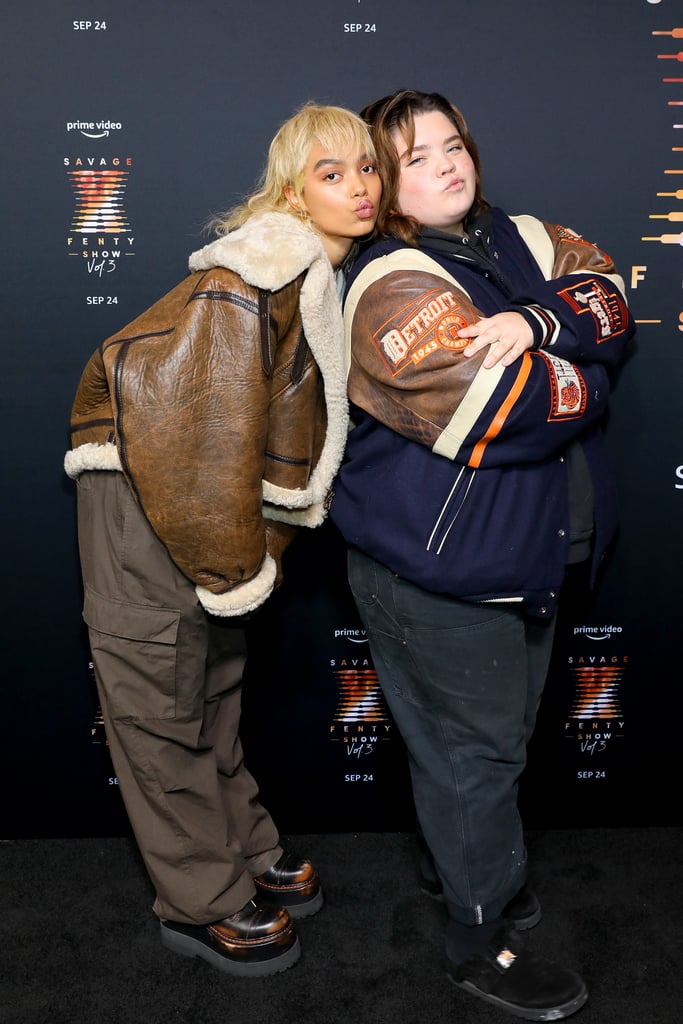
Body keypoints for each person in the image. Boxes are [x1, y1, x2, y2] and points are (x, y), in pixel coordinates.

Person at [331, 89, 634, 1019]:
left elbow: (610, 297)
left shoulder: (520, 237)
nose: (448, 165)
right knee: (475, 755)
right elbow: (498, 411)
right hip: (442, 570)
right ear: (383, 183)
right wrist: (585, 369)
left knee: (490, 744)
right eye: (416, 156)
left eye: (452, 145)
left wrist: (542, 327)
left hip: (524, 556)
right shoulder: (388, 279)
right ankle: (475, 934)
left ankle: (462, 869)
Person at [64, 103, 381, 978]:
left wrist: (239, 560)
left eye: (367, 169)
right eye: (331, 172)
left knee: (213, 684)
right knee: (161, 700)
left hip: (206, 502)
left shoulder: (317, 270)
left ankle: (243, 846)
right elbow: (185, 429)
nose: (357, 188)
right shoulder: (259, 265)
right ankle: (200, 899)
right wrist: (230, 565)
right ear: (290, 190)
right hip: (149, 493)